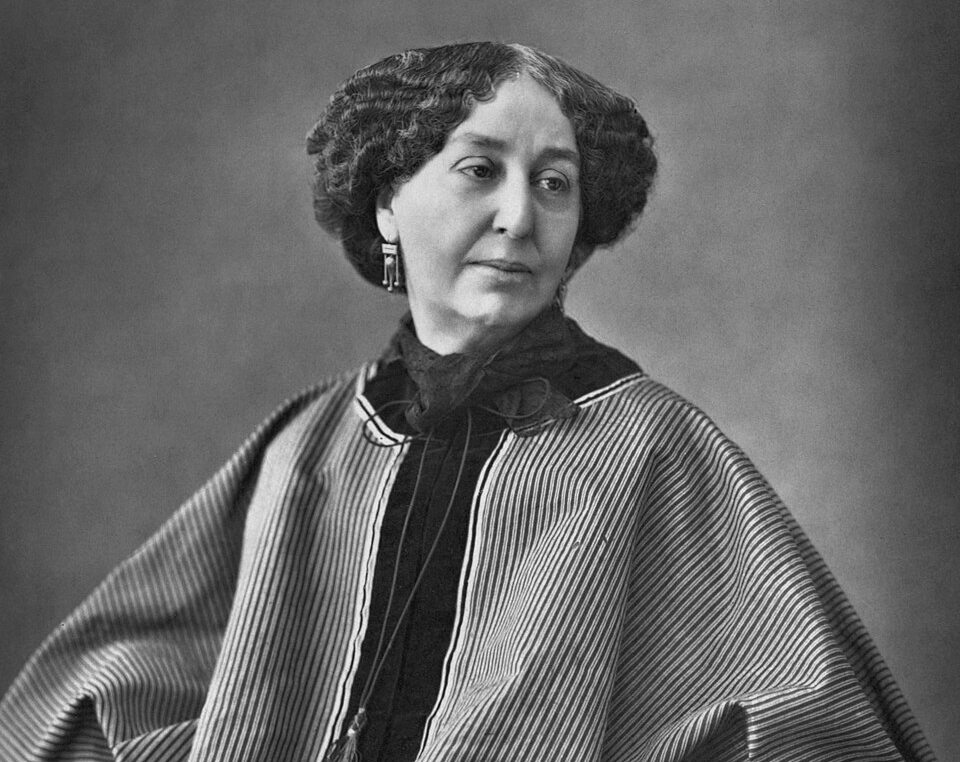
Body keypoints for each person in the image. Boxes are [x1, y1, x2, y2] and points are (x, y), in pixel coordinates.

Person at [0, 41, 936, 762]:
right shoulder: (308, 447)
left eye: (555, 184)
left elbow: (810, 724)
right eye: (480, 169)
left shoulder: (651, 447)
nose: (520, 217)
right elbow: (95, 694)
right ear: (386, 202)